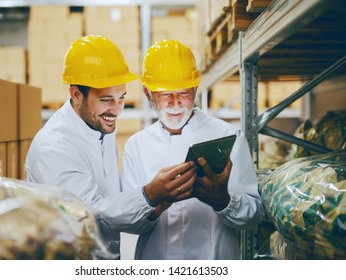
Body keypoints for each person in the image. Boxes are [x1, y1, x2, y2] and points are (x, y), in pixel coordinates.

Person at [26, 35, 196, 258]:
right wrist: (149, 195)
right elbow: (91, 215)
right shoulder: (54, 147)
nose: (117, 110)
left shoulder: (100, 126)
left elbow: (112, 207)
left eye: (121, 98)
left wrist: (153, 210)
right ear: (77, 95)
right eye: (107, 100)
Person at [120, 39, 264, 259]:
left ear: (195, 89)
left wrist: (222, 200)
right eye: (165, 94)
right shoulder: (136, 146)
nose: (176, 103)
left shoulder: (228, 136)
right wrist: (151, 200)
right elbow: (128, 223)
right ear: (147, 94)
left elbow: (254, 214)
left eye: (184, 93)